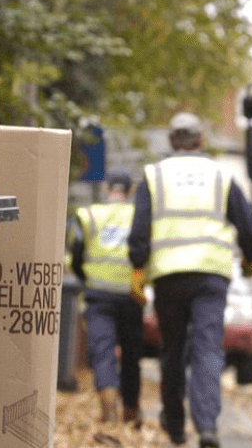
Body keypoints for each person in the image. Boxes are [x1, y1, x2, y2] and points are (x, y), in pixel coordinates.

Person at [128, 112, 252, 448]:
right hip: (211, 276)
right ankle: (207, 428)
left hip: (169, 278)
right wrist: (251, 256)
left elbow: (140, 228)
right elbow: (247, 224)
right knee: (207, 348)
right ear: (201, 140)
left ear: (172, 142)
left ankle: (174, 425)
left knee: (173, 350)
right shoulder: (221, 175)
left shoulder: (153, 176)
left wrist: (137, 268)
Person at [69, 172, 145, 427]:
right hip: (131, 296)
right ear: (131, 190)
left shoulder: (90, 215)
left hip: (98, 296)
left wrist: (87, 278)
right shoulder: (139, 217)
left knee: (103, 352)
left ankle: (109, 408)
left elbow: (77, 255)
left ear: (106, 188)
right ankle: (132, 409)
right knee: (132, 355)